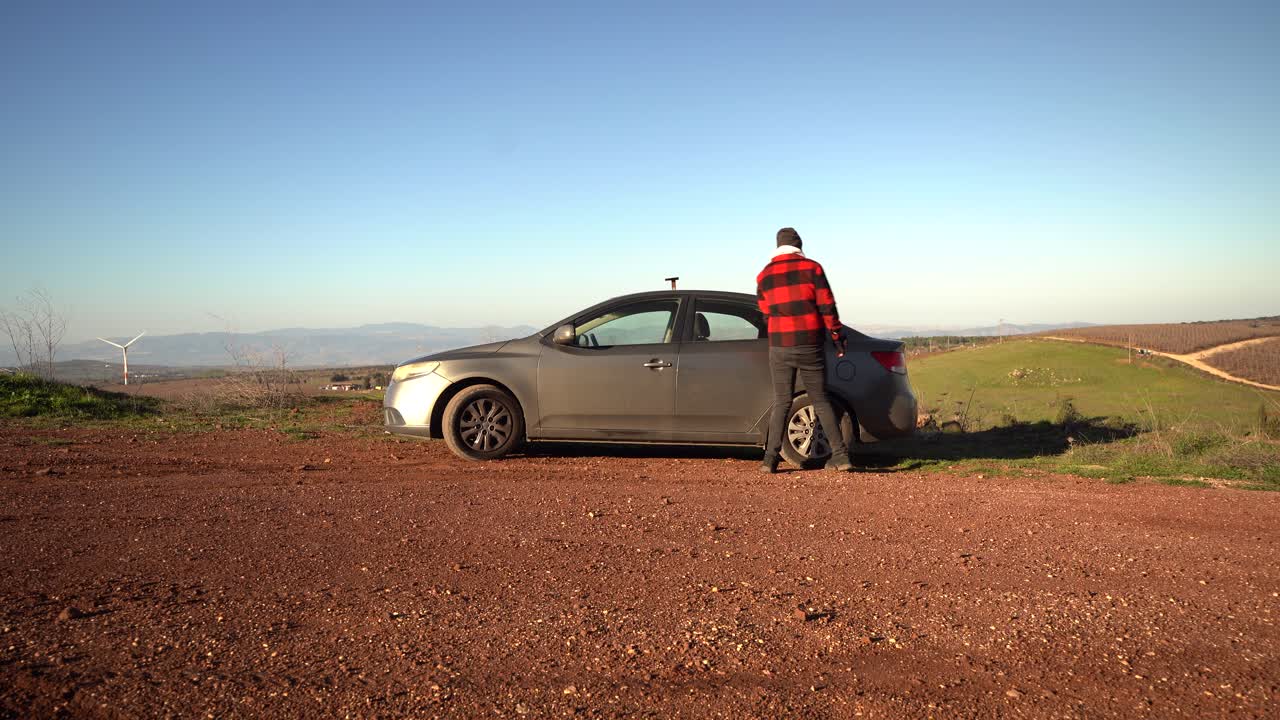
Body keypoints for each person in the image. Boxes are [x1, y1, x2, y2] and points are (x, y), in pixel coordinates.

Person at [756, 227, 853, 473]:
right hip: (810, 344)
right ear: (799, 246)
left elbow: (765, 312)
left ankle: (769, 460)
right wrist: (836, 336)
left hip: (779, 346)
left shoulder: (763, 276)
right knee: (820, 400)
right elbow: (827, 306)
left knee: (782, 401)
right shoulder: (813, 268)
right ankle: (841, 457)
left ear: (777, 246)